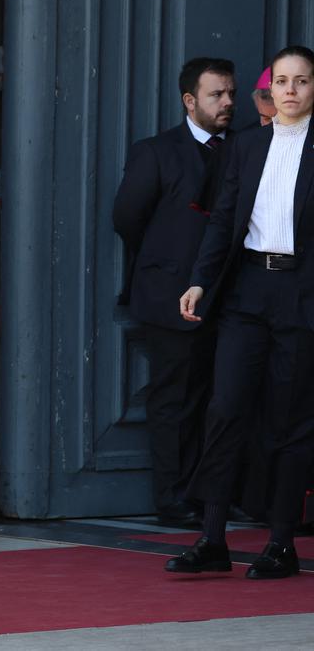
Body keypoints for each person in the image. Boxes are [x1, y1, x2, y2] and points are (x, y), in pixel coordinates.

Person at [167, 45, 314, 579]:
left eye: (301, 81)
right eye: (281, 81)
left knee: (288, 422)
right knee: (224, 410)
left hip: (302, 294)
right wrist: (201, 281)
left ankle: (281, 545)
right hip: (247, 291)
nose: (291, 90)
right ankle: (212, 539)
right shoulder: (247, 146)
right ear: (269, 90)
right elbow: (223, 218)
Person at [113, 57, 236, 525]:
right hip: (168, 297)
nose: (227, 103)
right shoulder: (156, 151)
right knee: (174, 398)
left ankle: (213, 494)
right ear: (190, 100)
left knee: (219, 398)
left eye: (230, 93)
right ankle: (173, 498)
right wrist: (170, 263)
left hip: (230, 297)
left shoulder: (242, 148)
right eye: (215, 95)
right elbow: (127, 218)